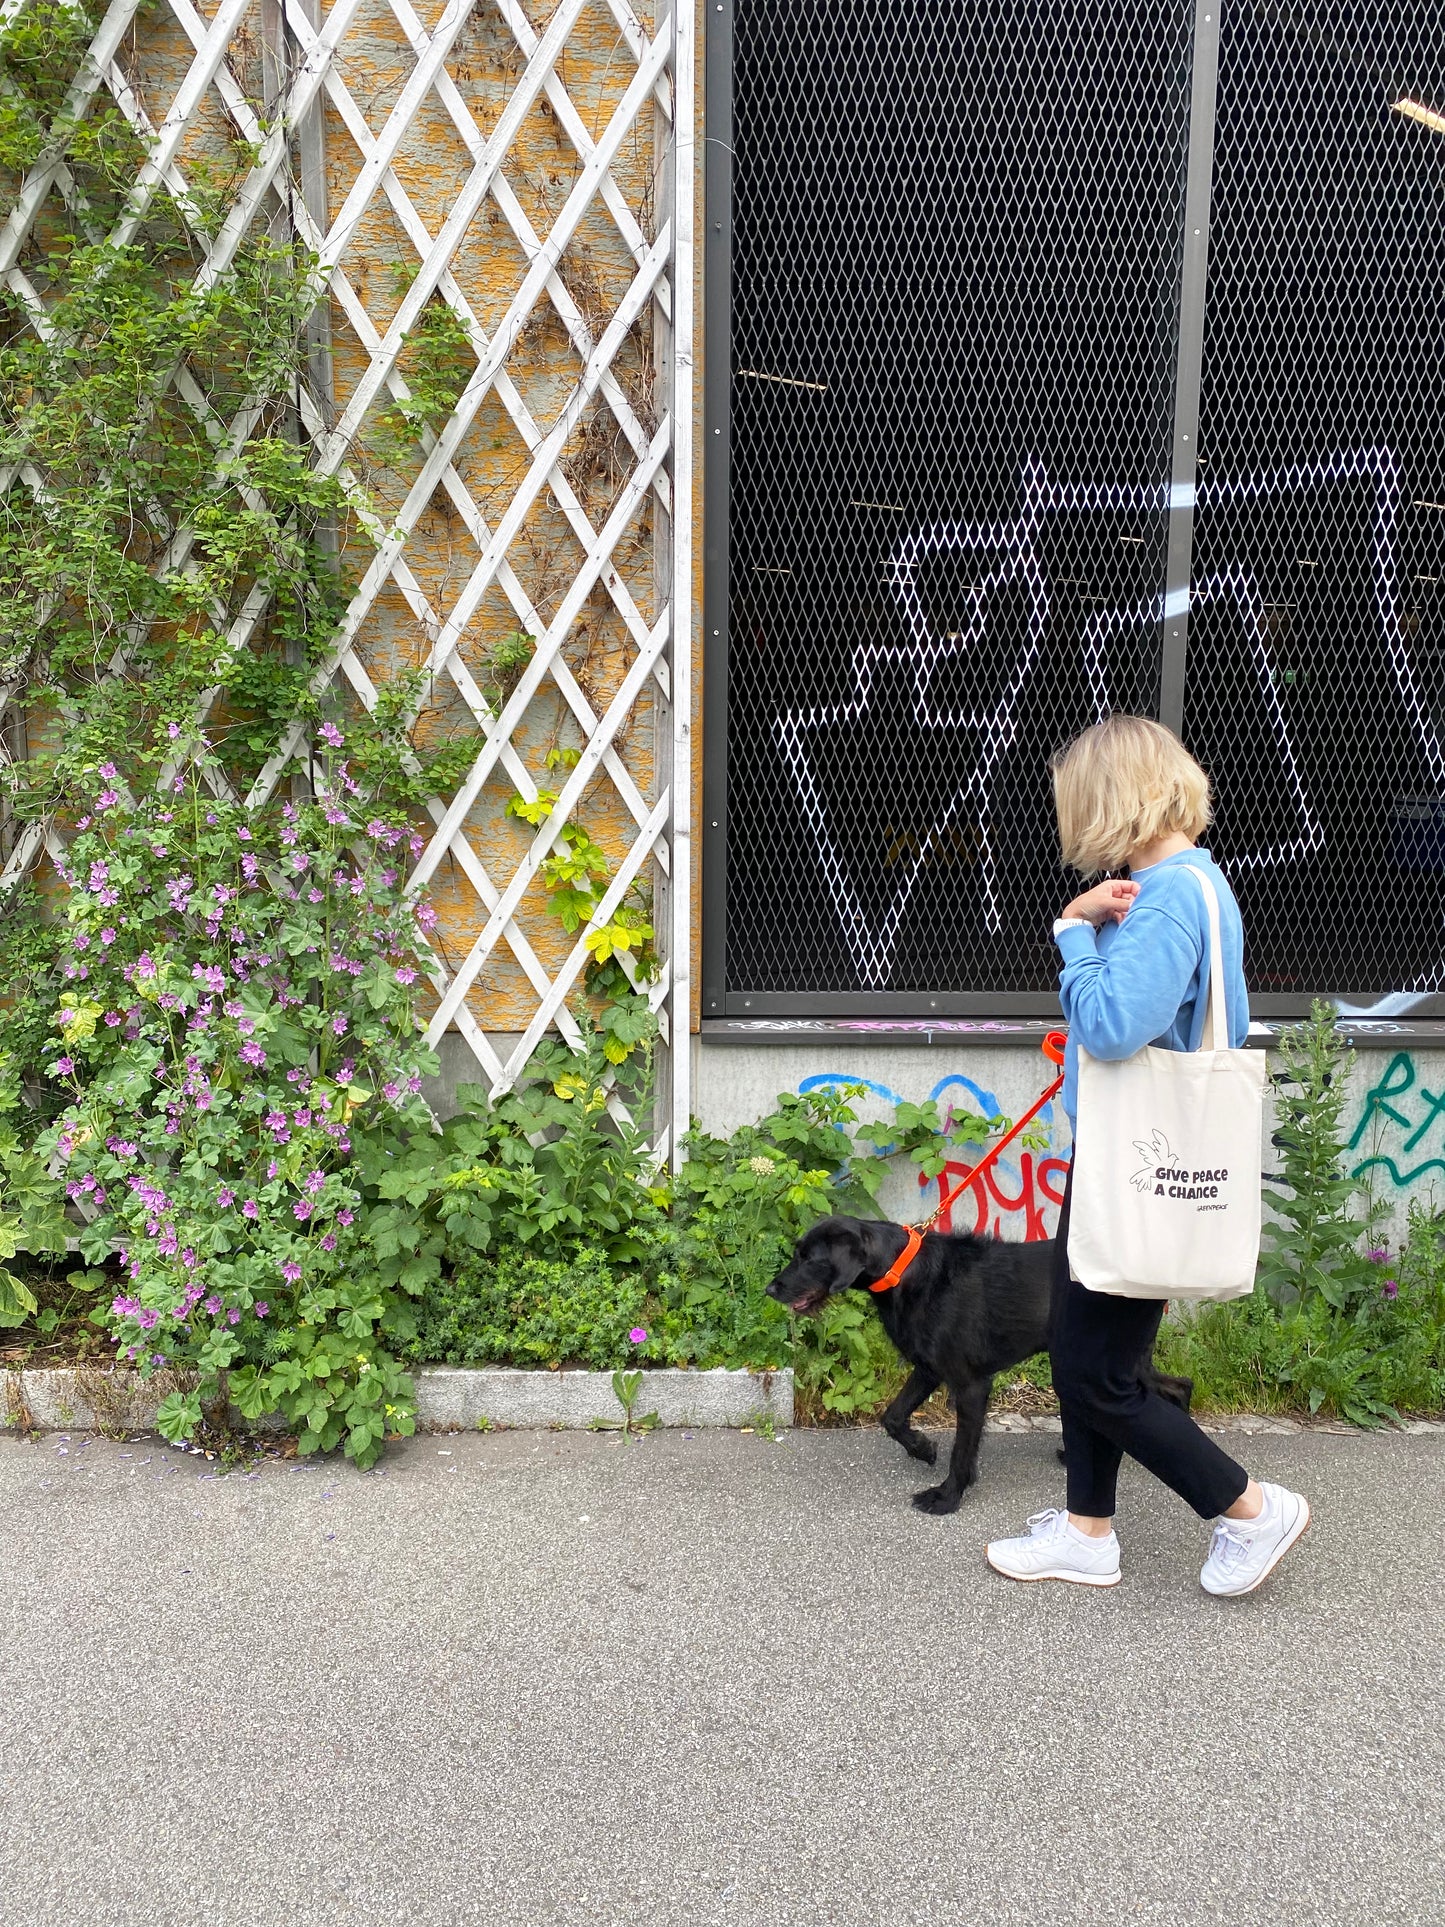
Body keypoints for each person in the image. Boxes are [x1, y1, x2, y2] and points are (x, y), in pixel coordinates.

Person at [985, 714, 1310, 1596]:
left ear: (1109, 798)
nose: (1072, 827)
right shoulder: (1193, 884)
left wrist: (1071, 932)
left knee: (1091, 1370)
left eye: (1076, 805)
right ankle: (1087, 1531)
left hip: (1134, 1161)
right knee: (1090, 1354)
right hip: (1134, 1160)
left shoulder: (1167, 896)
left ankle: (1245, 1507)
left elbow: (1112, 1026)